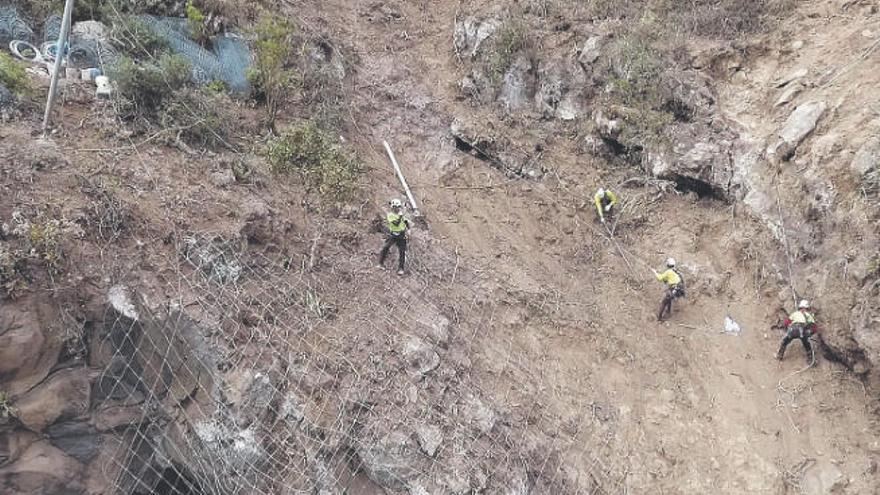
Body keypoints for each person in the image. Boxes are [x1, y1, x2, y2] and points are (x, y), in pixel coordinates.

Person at [378, 198, 410, 275]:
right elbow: (396, 224)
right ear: (393, 207)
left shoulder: (401, 215)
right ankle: (380, 263)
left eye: (398, 207)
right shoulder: (390, 215)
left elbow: (405, 222)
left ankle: (401, 268)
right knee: (386, 247)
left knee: (402, 251)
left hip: (401, 234)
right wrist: (400, 216)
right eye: (396, 207)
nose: (397, 209)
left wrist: (409, 229)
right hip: (393, 234)